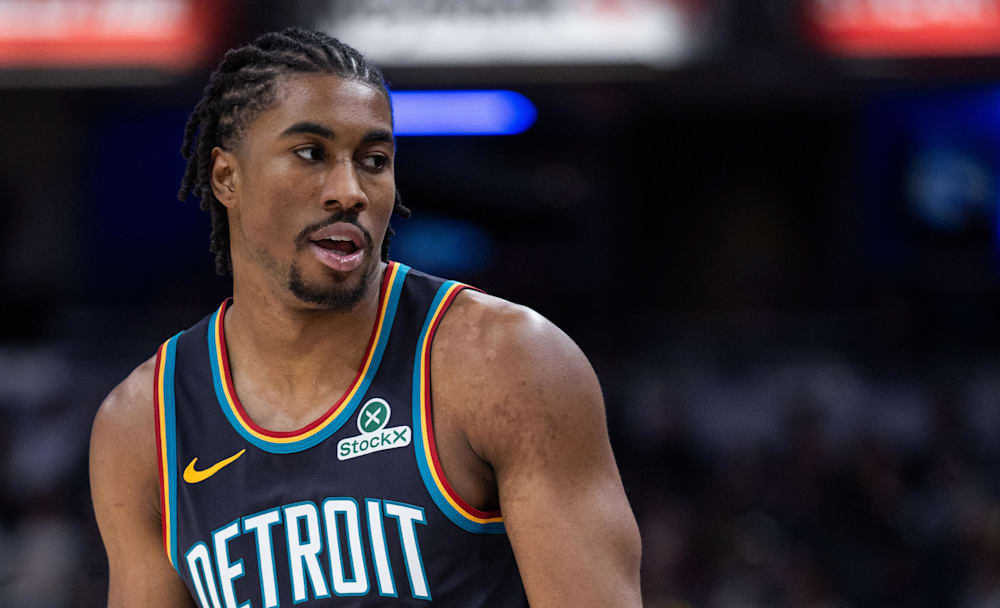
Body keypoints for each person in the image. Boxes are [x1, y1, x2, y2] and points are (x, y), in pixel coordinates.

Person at [90, 28, 643, 607]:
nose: (349, 191)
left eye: (374, 161)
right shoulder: (142, 425)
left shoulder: (506, 362)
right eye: (311, 154)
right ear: (227, 177)